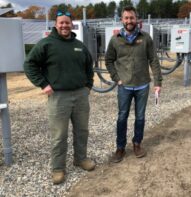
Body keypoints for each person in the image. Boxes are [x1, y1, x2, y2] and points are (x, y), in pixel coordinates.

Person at [23, 10, 95, 184]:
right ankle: (58, 168)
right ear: (55, 24)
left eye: (67, 22)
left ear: (71, 24)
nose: (64, 25)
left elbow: (88, 67)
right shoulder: (46, 44)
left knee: (82, 131)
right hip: (58, 97)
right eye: (61, 22)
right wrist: (43, 84)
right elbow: (29, 64)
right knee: (59, 134)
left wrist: (88, 86)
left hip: (80, 95)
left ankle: (80, 159)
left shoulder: (79, 45)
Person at [105, 6, 162, 163]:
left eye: (132, 18)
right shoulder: (116, 40)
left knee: (140, 117)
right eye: (126, 18)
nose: (129, 21)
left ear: (136, 19)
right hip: (124, 87)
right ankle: (120, 147)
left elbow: (153, 60)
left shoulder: (145, 38)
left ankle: (137, 143)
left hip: (142, 85)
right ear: (122, 20)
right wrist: (116, 78)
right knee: (122, 117)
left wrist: (158, 82)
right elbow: (108, 60)